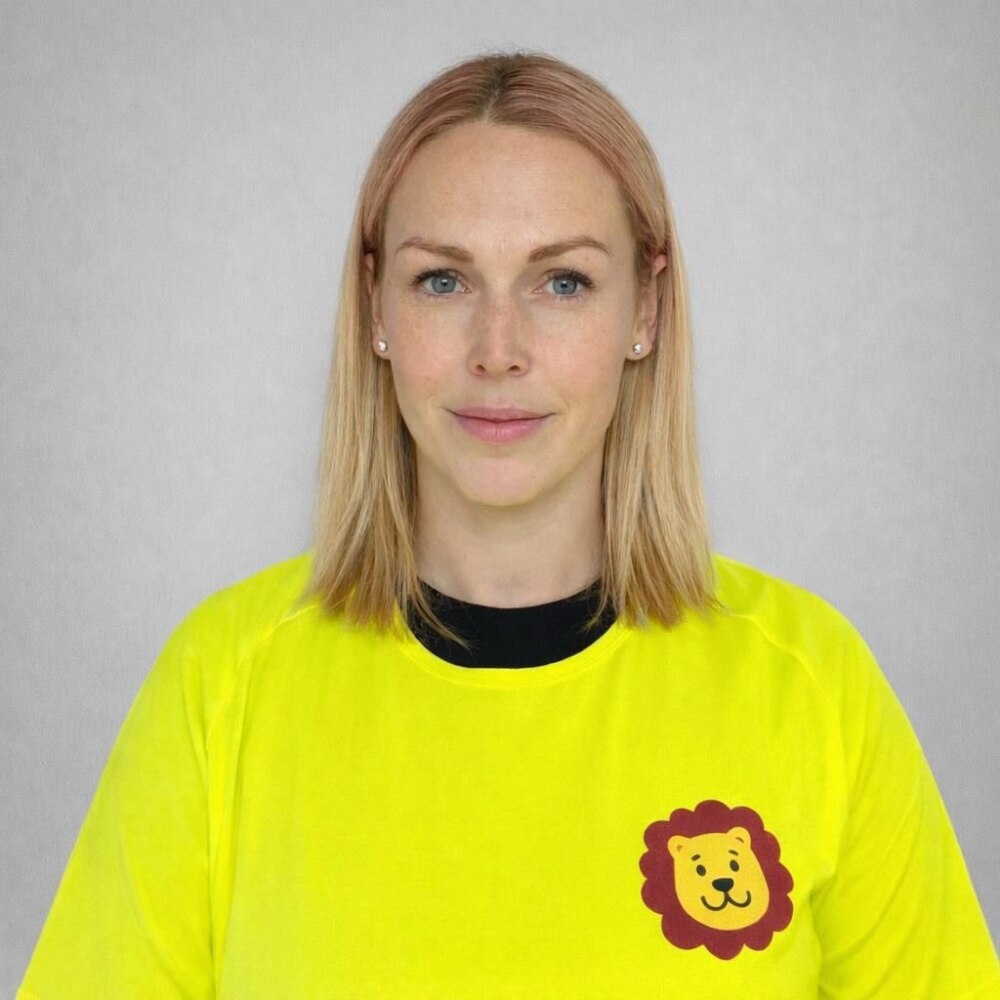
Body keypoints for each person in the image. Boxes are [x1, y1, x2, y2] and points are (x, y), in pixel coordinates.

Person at [18, 51, 999, 999]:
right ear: (375, 307)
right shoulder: (221, 685)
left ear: (645, 311)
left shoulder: (812, 687)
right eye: (442, 281)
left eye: (561, 282)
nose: (498, 349)